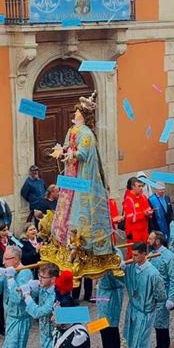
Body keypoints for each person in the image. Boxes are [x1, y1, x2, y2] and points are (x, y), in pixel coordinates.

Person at [51, 92, 113, 255]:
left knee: (79, 204)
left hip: (81, 174)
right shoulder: (73, 129)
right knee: (68, 203)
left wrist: (71, 154)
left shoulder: (86, 133)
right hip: (72, 173)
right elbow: (67, 145)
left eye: (78, 112)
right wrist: (62, 150)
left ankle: (81, 241)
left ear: (83, 115)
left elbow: (83, 154)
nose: (75, 114)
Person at [123, 242, 166, 348]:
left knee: (142, 343)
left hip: (146, 312)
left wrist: (150, 304)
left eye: (136, 255)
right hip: (134, 309)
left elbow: (161, 295)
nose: (133, 257)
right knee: (135, 341)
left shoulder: (153, 273)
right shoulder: (130, 268)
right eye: (132, 255)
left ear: (144, 254)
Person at [22, 264, 57, 348]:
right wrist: (30, 287)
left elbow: (39, 312)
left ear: (53, 279)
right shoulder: (44, 287)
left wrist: (27, 297)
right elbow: (36, 290)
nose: (40, 279)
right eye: (39, 276)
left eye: (43, 277)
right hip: (45, 336)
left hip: (54, 337)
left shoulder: (54, 294)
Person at [147, 231, 174, 348]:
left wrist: (171, 298)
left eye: (151, 238)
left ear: (158, 241)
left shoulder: (169, 257)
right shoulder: (151, 255)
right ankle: (166, 347)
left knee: (160, 325)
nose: (148, 240)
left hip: (163, 295)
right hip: (152, 295)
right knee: (159, 324)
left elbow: (173, 278)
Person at [96, 267, 124, 348]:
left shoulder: (116, 255)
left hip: (112, 294)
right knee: (102, 327)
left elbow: (120, 278)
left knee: (111, 327)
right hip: (102, 293)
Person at [122, 177, 153, 257]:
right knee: (133, 253)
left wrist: (149, 213)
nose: (141, 188)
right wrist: (144, 214)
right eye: (139, 186)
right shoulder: (128, 200)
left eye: (142, 186)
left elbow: (148, 209)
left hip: (144, 230)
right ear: (132, 187)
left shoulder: (143, 197)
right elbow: (130, 217)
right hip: (134, 232)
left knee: (144, 252)